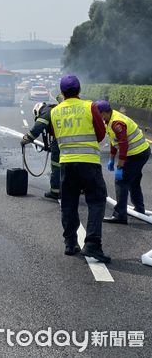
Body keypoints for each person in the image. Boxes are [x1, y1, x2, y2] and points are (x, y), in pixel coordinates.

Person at [50, 75, 111, 262]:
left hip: (67, 163)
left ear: (61, 92)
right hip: (88, 163)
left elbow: (54, 135)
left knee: (68, 203)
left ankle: (70, 243)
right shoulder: (89, 106)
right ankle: (92, 244)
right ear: (79, 90)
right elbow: (101, 133)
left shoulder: (55, 111)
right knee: (97, 200)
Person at [95, 100, 151, 224]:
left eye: (98, 114)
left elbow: (123, 144)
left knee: (121, 182)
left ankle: (120, 215)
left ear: (104, 113)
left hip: (136, 154)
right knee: (134, 182)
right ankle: (140, 210)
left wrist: (120, 166)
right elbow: (114, 140)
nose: (97, 117)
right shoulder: (110, 120)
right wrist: (111, 158)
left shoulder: (117, 123)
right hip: (141, 152)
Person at [21, 95, 63, 200]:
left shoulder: (46, 111)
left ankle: (55, 191)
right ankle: (79, 188)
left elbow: (39, 126)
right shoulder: (53, 109)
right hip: (69, 138)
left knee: (56, 165)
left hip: (61, 140)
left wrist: (28, 138)